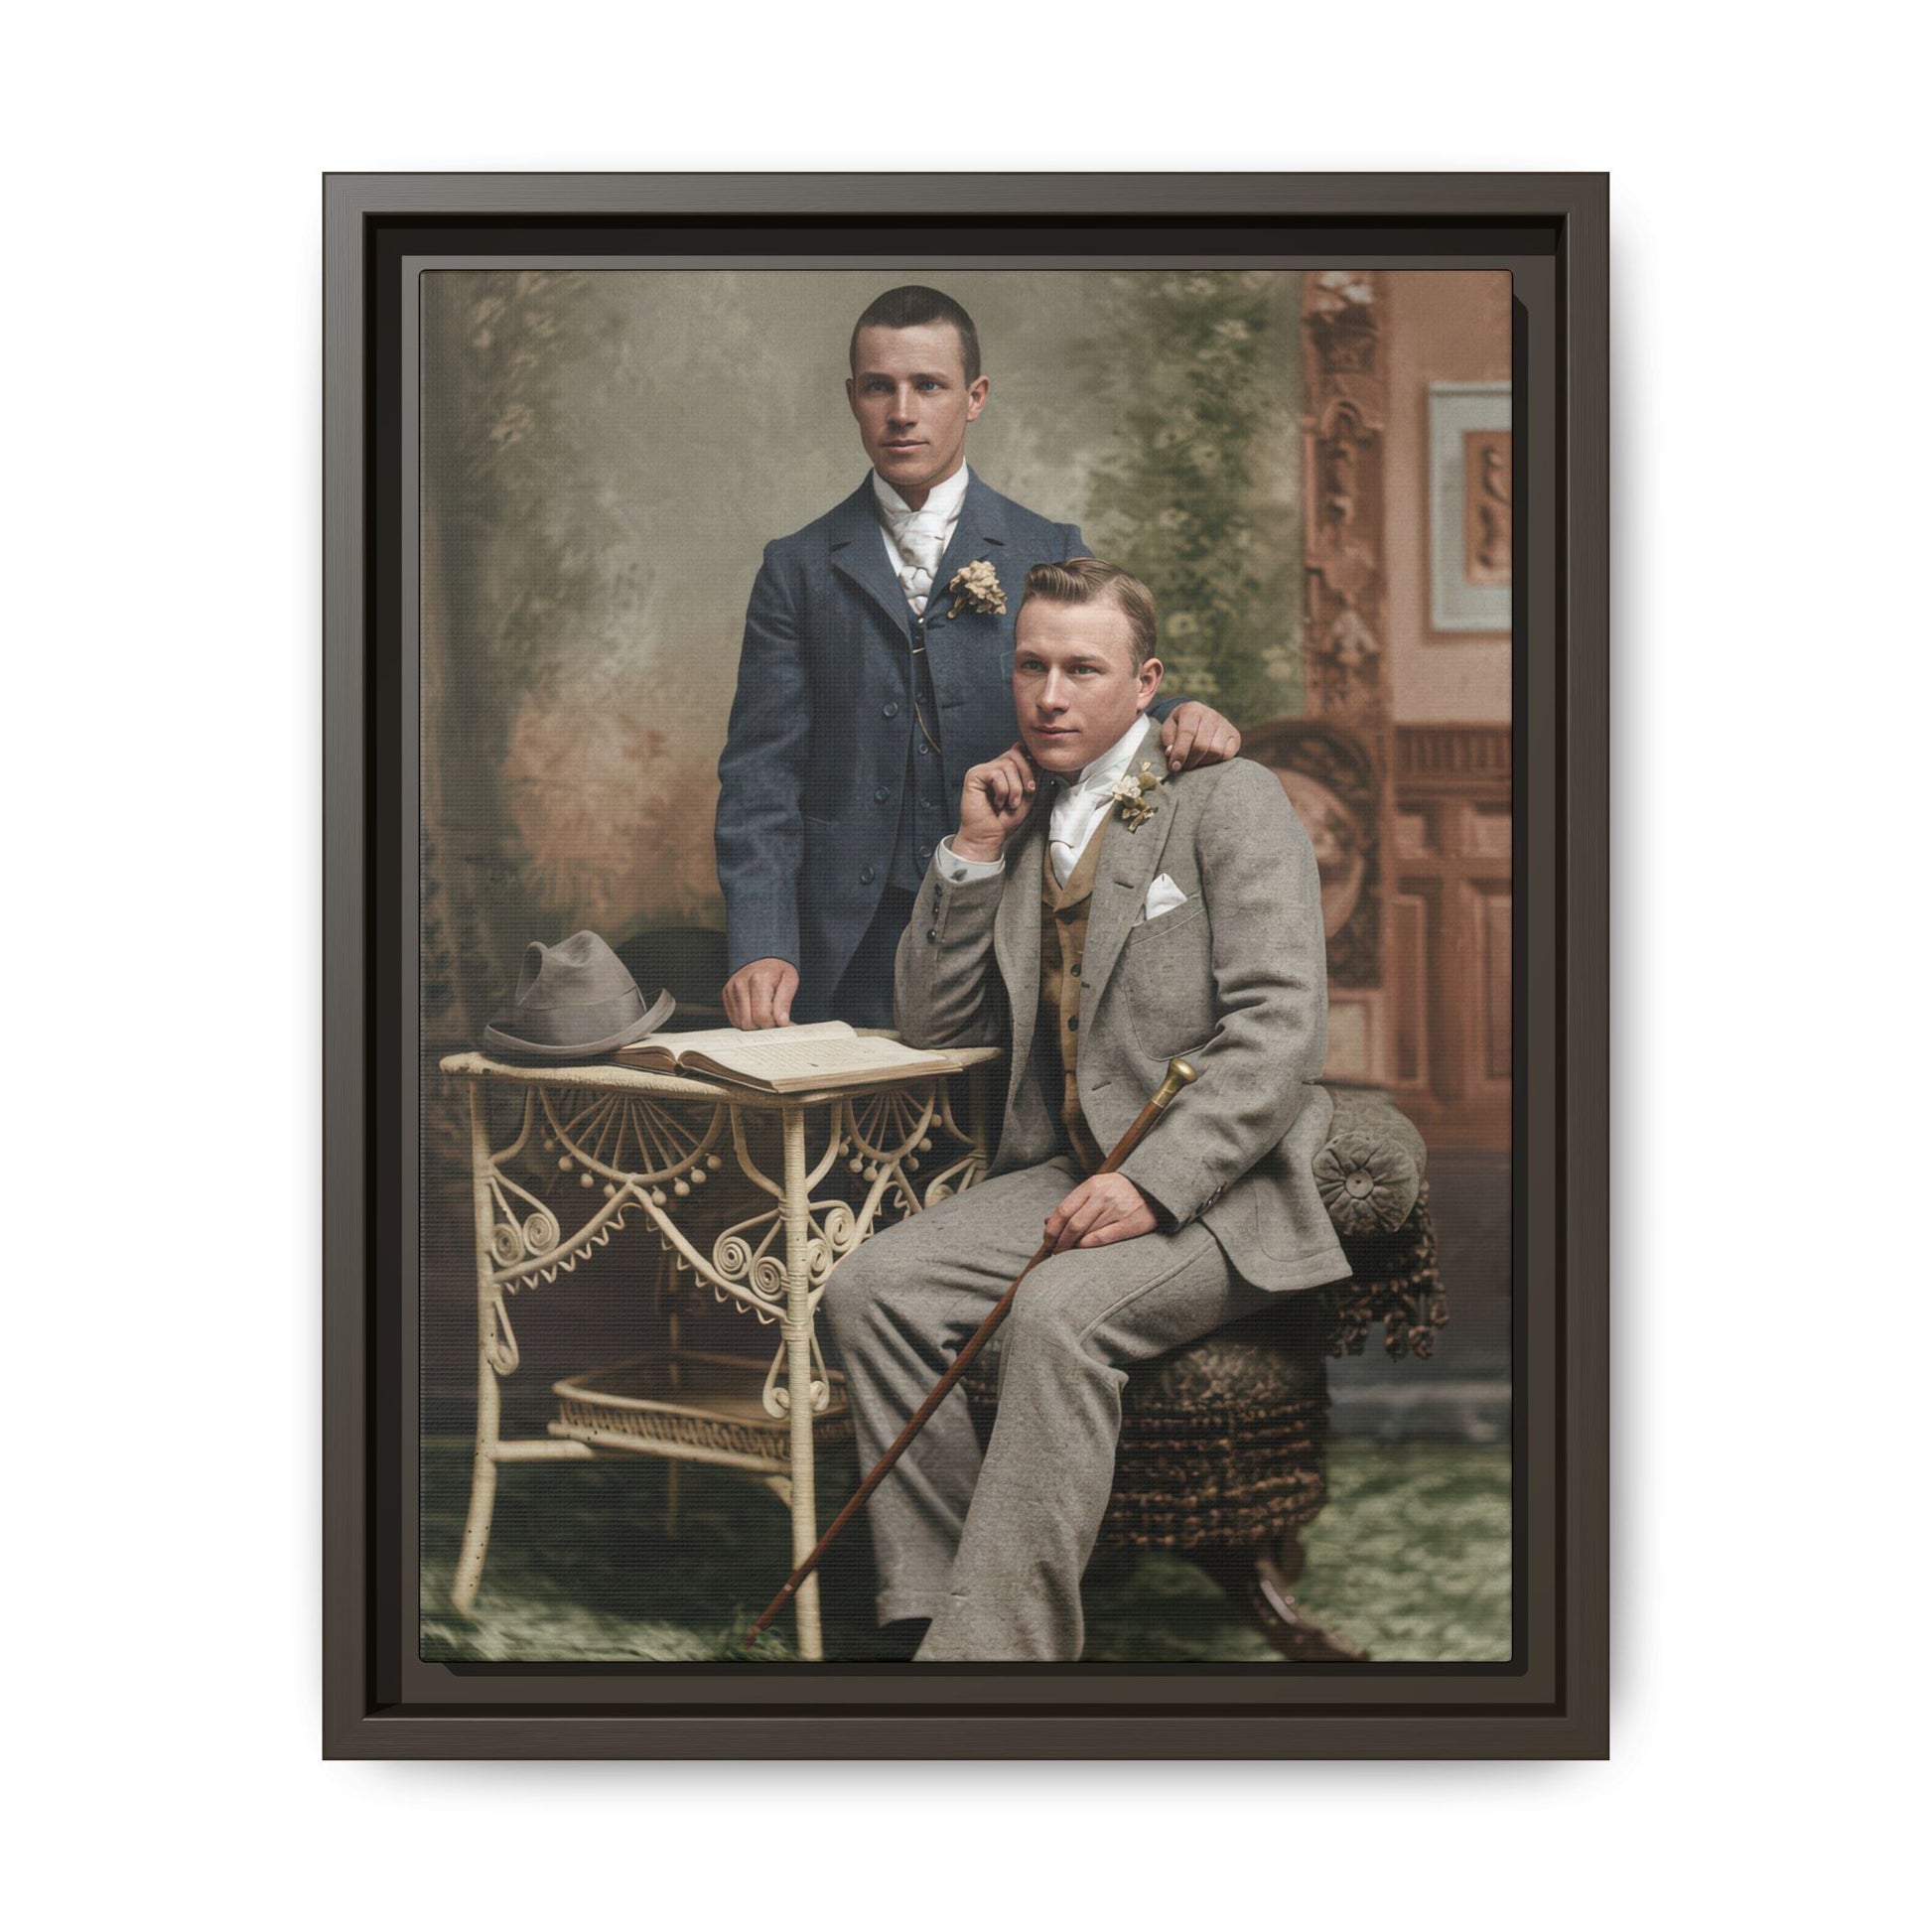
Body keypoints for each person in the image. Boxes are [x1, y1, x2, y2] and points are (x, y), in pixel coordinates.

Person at [822, 558, 1350, 1662]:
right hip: (1069, 1169)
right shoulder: (1019, 815)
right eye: (1030, 665)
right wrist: (969, 852)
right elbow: (928, 1024)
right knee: (872, 1288)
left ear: (1146, 680)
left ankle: (993, 1663)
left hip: (1221, 1196)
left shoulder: (1226, 793)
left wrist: (1151, 1183)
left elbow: (1277, 1033)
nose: (1049, 694)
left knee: (1056, 1314)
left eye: (1081, 668)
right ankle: (934, 1609)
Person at [714, 285, 1241, 1031]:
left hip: (1015, 924)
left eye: (929, 385)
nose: (903, 412)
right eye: (879, 387)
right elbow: (760, 776)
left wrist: (1181, 715)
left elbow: (1105, 695)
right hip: (843, 943)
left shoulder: (1045, 548)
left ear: (974, 397)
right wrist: (762, 943)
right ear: (853, 397)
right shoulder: (796, 568)